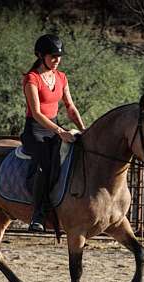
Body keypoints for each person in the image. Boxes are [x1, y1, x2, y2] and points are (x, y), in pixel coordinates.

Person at [21, 34, 86, 232]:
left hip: (55, 128)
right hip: (36, 131)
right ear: (40, 55)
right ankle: (38, 215)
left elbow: (70, 107)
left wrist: (84, 129)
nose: (57, 60)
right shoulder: (31, 79)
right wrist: (60, 132)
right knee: (45, 165)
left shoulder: (61, 77)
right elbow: (38, 113)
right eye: (53, 56)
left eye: (59, 56)